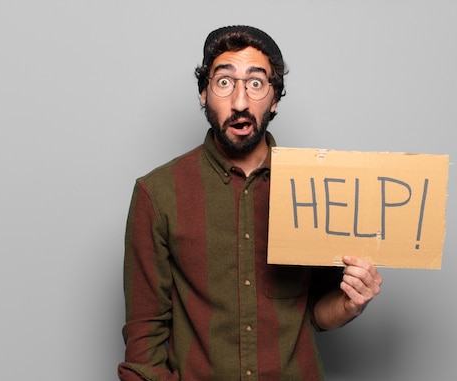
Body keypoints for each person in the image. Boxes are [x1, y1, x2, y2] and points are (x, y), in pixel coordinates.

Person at [118, 25, 382, 381]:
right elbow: (144, 336)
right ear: (203, 93)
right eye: (224, 82)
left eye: (256, 83)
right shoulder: (158, 193)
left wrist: (351, 304)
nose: (239, 102)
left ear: (274, 99)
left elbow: (316, 314)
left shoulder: (313, 186)